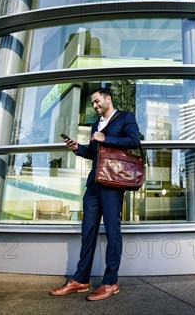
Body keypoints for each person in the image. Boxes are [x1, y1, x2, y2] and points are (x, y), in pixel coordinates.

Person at [49, 87, 140, 301]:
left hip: (112, 184)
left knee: (112, 232)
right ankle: (81, 279)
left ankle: (110, 282)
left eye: (97, 101)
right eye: (93, 103)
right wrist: (77, 148)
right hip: (94, 185)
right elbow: (93, 152)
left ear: (108, 99)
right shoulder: (95, 125)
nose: (95, 105)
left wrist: (105, 138)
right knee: (87, 231)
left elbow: (134, 141)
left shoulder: (125, 118)